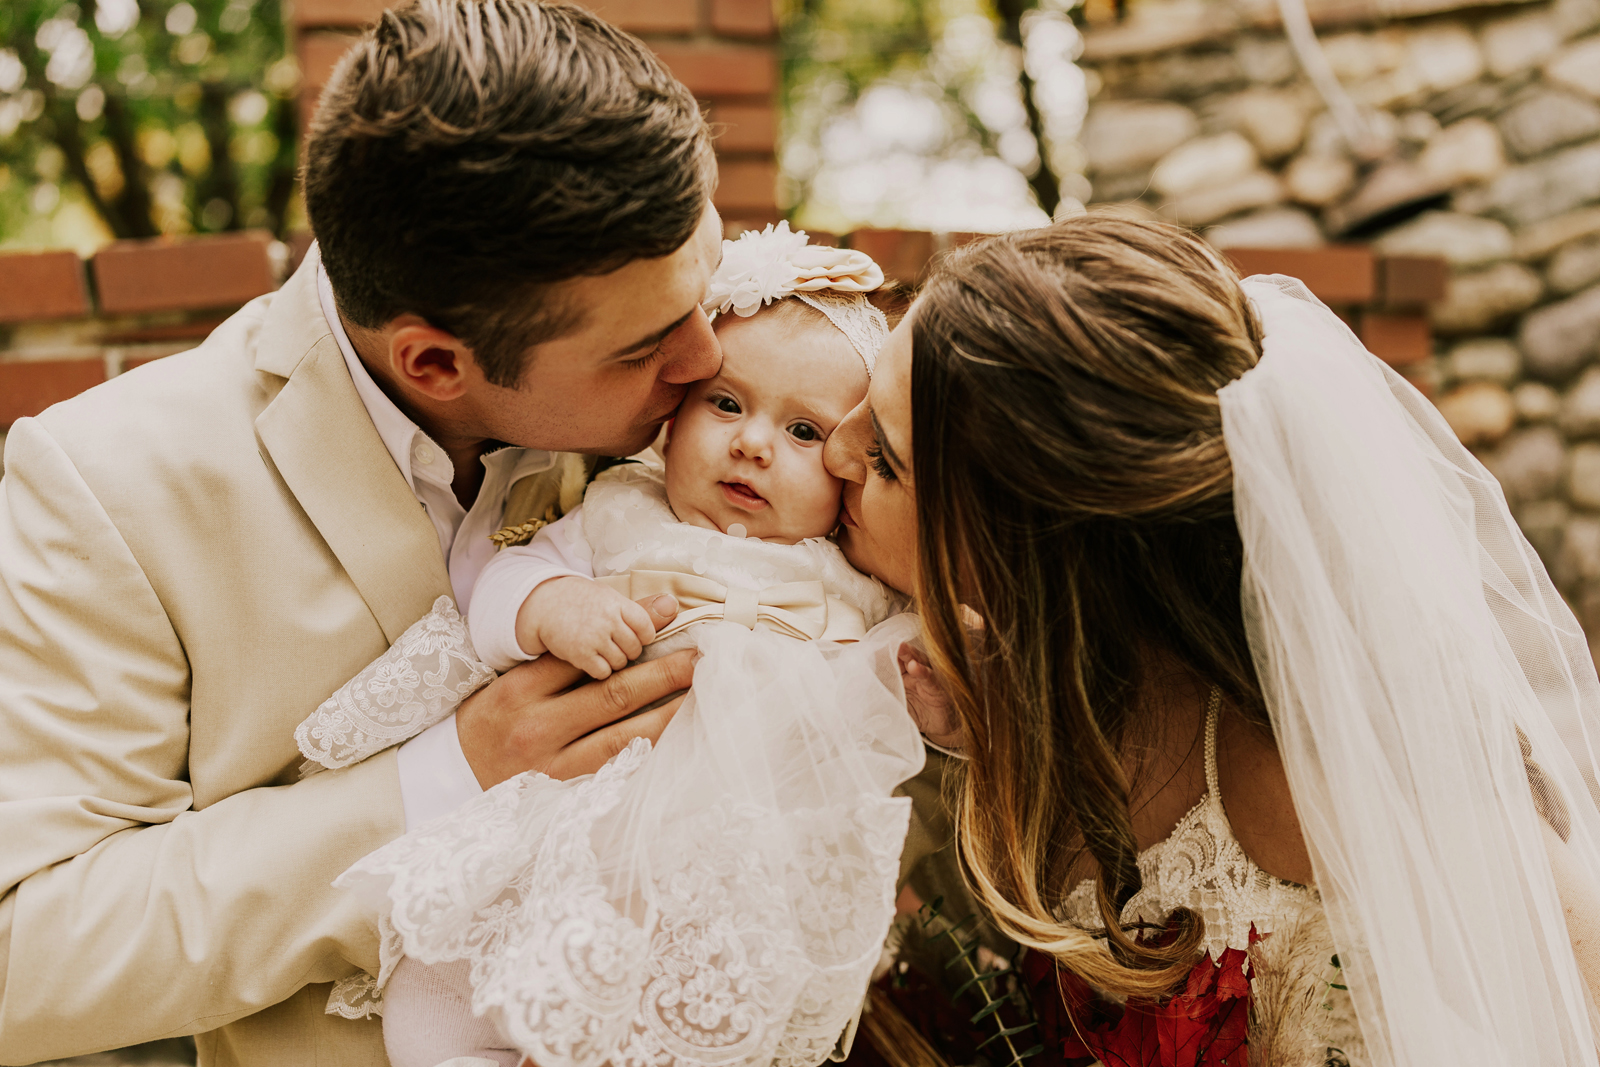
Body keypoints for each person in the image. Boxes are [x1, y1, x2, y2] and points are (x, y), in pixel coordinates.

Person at [0, 2, 728, 1063]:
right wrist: (446, 783)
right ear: (435, 363)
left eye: (702, 286)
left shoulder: (709, 398)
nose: (708, 361)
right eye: (645, 348)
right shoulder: (111, 480)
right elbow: (29, 952)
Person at [823, 214, 1600, 1066]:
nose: (833, 449)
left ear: (1022, 541)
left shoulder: (1324, 769)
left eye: (887, 457)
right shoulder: (950, 683)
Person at [292, 224, 933, 1067]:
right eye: (727, 403)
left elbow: (900, 677)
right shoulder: (621, 513)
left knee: (721, 997)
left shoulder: (848, 570)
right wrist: (556, 606)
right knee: (448, 975)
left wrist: (934, 690)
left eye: (805, 433)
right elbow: (497, 585)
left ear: (851, 462)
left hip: (735, 860)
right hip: (586, 823)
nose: (752, 443)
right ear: (676, 417)